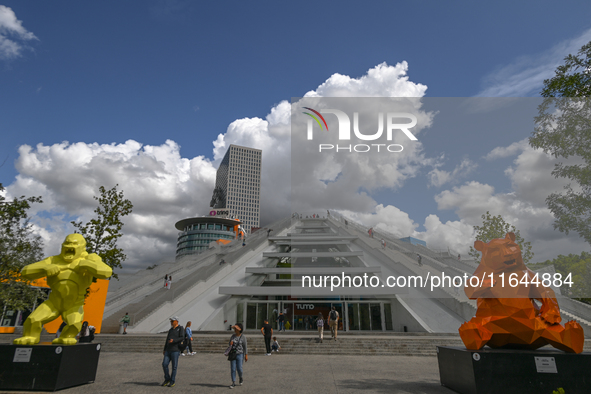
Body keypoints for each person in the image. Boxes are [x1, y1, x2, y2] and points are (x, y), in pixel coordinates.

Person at [162, 316, 184, 387]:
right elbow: (167, 340)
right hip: (168, 350)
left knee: (174, 366)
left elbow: (182, 337)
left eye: (172, 321)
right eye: (171, 321)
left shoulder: (180, 328)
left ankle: (172, 380)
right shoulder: (171, 330)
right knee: (164, 364)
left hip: (175, 350)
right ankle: (167, 378)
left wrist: (174, 341)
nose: (171, 322)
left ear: (176, 321)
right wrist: (164, 349)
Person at [228, 323, 248, 388]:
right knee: (233, 369)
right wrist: (230, 344)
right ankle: (233, 382)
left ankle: (240, 377)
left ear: (239, 329)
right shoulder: (233, 336)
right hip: (233, 354)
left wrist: (246, 354)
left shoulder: (243, 337)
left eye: (236, 329)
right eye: (235, 329)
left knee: (239, 368)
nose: (235, 330)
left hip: (240, 354)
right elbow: (229, 344)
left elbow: (245, 346)